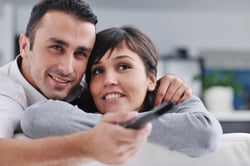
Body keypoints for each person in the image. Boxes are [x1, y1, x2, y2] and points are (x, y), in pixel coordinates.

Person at [0, 0, 192, 165]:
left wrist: (166, 86)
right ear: (25, 46)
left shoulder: (88, 80)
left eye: (81, 53)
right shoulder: (5, 93)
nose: (67, 68)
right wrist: (85, 146)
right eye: (56, 47)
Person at [21, 26, 222, 158]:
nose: (108, 80)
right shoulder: (79, 104)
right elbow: (35, 119)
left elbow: (205, 134)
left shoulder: (176, 100)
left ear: (151, 78)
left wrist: (111, 128)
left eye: (123, 66)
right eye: (97, 71)